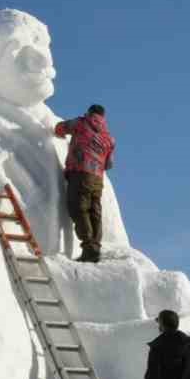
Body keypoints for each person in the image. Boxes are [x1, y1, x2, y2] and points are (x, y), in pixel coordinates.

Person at [50, 104, 115, 262]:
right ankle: (95, 247)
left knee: (78, 207)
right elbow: (109, 164)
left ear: (90, 113)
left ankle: (89, 247)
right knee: (94, 211)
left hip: (80, 173)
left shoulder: (82, 123)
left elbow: (60, 128)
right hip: (97, 179)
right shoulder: (109, 138)